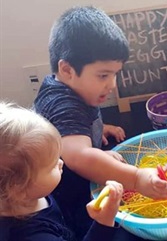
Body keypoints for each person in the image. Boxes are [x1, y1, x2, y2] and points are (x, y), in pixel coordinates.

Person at [33, 6, 167, 239]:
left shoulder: (67, 87)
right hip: (72, 201)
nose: (112, 84)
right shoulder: (62, 104)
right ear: (67, 69)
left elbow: (70, 130)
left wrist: (97, 129)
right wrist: (136, 178)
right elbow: (78, 156)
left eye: (115, 74)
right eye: (103, 75)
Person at [0, 102, 124, 241]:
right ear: (18, 189)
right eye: (52, 164)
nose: (61, 163)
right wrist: (104, 223)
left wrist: (97, 157)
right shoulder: (36, 236)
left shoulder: (27, 190)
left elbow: (68, 173)